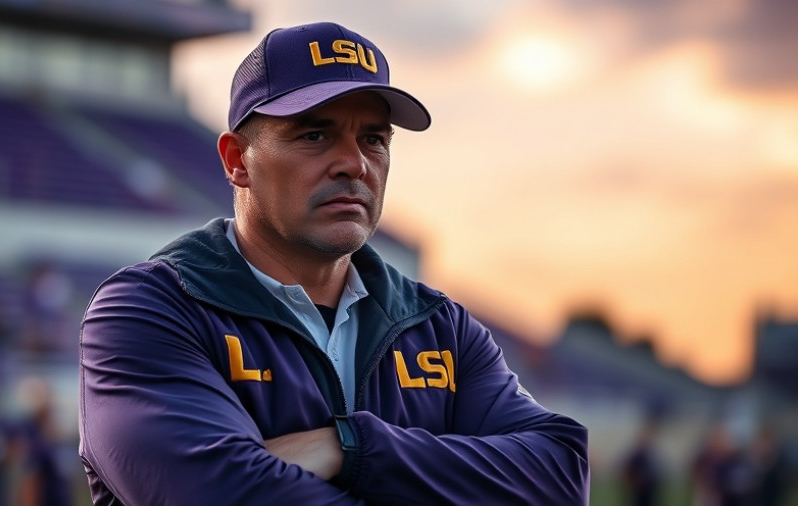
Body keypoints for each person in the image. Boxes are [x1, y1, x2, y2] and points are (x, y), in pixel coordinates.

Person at [79, 21, 589, 505]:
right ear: (237, 160)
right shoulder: (149, 310)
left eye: (374, 138)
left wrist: (348, 446)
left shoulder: (440, 328)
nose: (355, 163)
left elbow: (560, 477)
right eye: (314, 135)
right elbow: (220, 496)